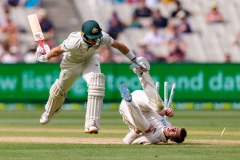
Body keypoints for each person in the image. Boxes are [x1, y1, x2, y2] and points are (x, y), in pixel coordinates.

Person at [35, 20, 149, 134]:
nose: (95, 41)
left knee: (96, 81)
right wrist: (45, 57)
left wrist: (134, 59)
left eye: (96, 37)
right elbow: (57, 51)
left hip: (90, 59)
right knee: (60, 90)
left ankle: (92, 124)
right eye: (92, 38)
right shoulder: (73, 41)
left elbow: (119, 45)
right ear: (84, 35)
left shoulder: (102, 37)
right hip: (71, 63)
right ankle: (49, 112)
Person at [118, 62, 187, 144]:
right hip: (138, 99)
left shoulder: (153, 139)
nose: (172, 129)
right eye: (175, 128)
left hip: (128, 110)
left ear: (171, 139)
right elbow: (153, 115)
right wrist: (164, 112)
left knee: (145, 127)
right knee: (159, 106)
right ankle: (140, 72)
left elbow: (127, 141)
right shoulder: (167, 123)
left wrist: (137, 130)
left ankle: (129, 100)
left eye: (174, 133)